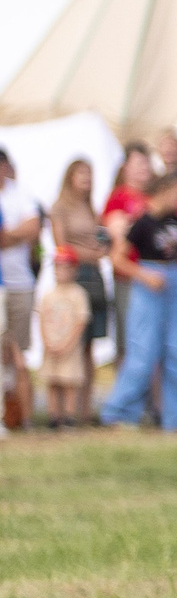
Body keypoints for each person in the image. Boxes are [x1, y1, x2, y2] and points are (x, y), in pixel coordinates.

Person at [100, 174, 177, 431]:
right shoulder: (142, 223)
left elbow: (174, 246)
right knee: (143, 353)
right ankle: (118, 413)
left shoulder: (173, 217)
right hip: (148, 282)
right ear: (164, 191)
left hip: (174, 282)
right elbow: (117, 258)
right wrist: (144, 276)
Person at [50, 160, 109, 361]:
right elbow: (62, 246)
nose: (87, 178)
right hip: (75, 274)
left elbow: (100, 237)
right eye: (82, 173)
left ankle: (87, 382)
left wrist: (102, 247)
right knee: (74, 336)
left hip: (94, 274)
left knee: (89, 340)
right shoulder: (60, 207)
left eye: (89, 173)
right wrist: (90, 254)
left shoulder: (90, 207)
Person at [0, 148, 41, 433]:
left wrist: (8, 237)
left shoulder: (21, 194)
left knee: (19, 353)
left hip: (20, 283)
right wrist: (18, 235)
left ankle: (22, 417)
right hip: (2, 284)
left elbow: (33, 228)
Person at [38, 250, 94, 425]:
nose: (61, 271)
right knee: (52, 380)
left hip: (70, 347)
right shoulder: (48, 295)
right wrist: (46, 342)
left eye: (66, 267)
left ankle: (69, 416)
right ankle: (54, 416)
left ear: (74, 270)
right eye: (58, 267)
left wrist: (67, 344)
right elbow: (41, 319)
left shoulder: (78, 294)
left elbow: (82, 321)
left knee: (70, 381)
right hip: (51, 345)